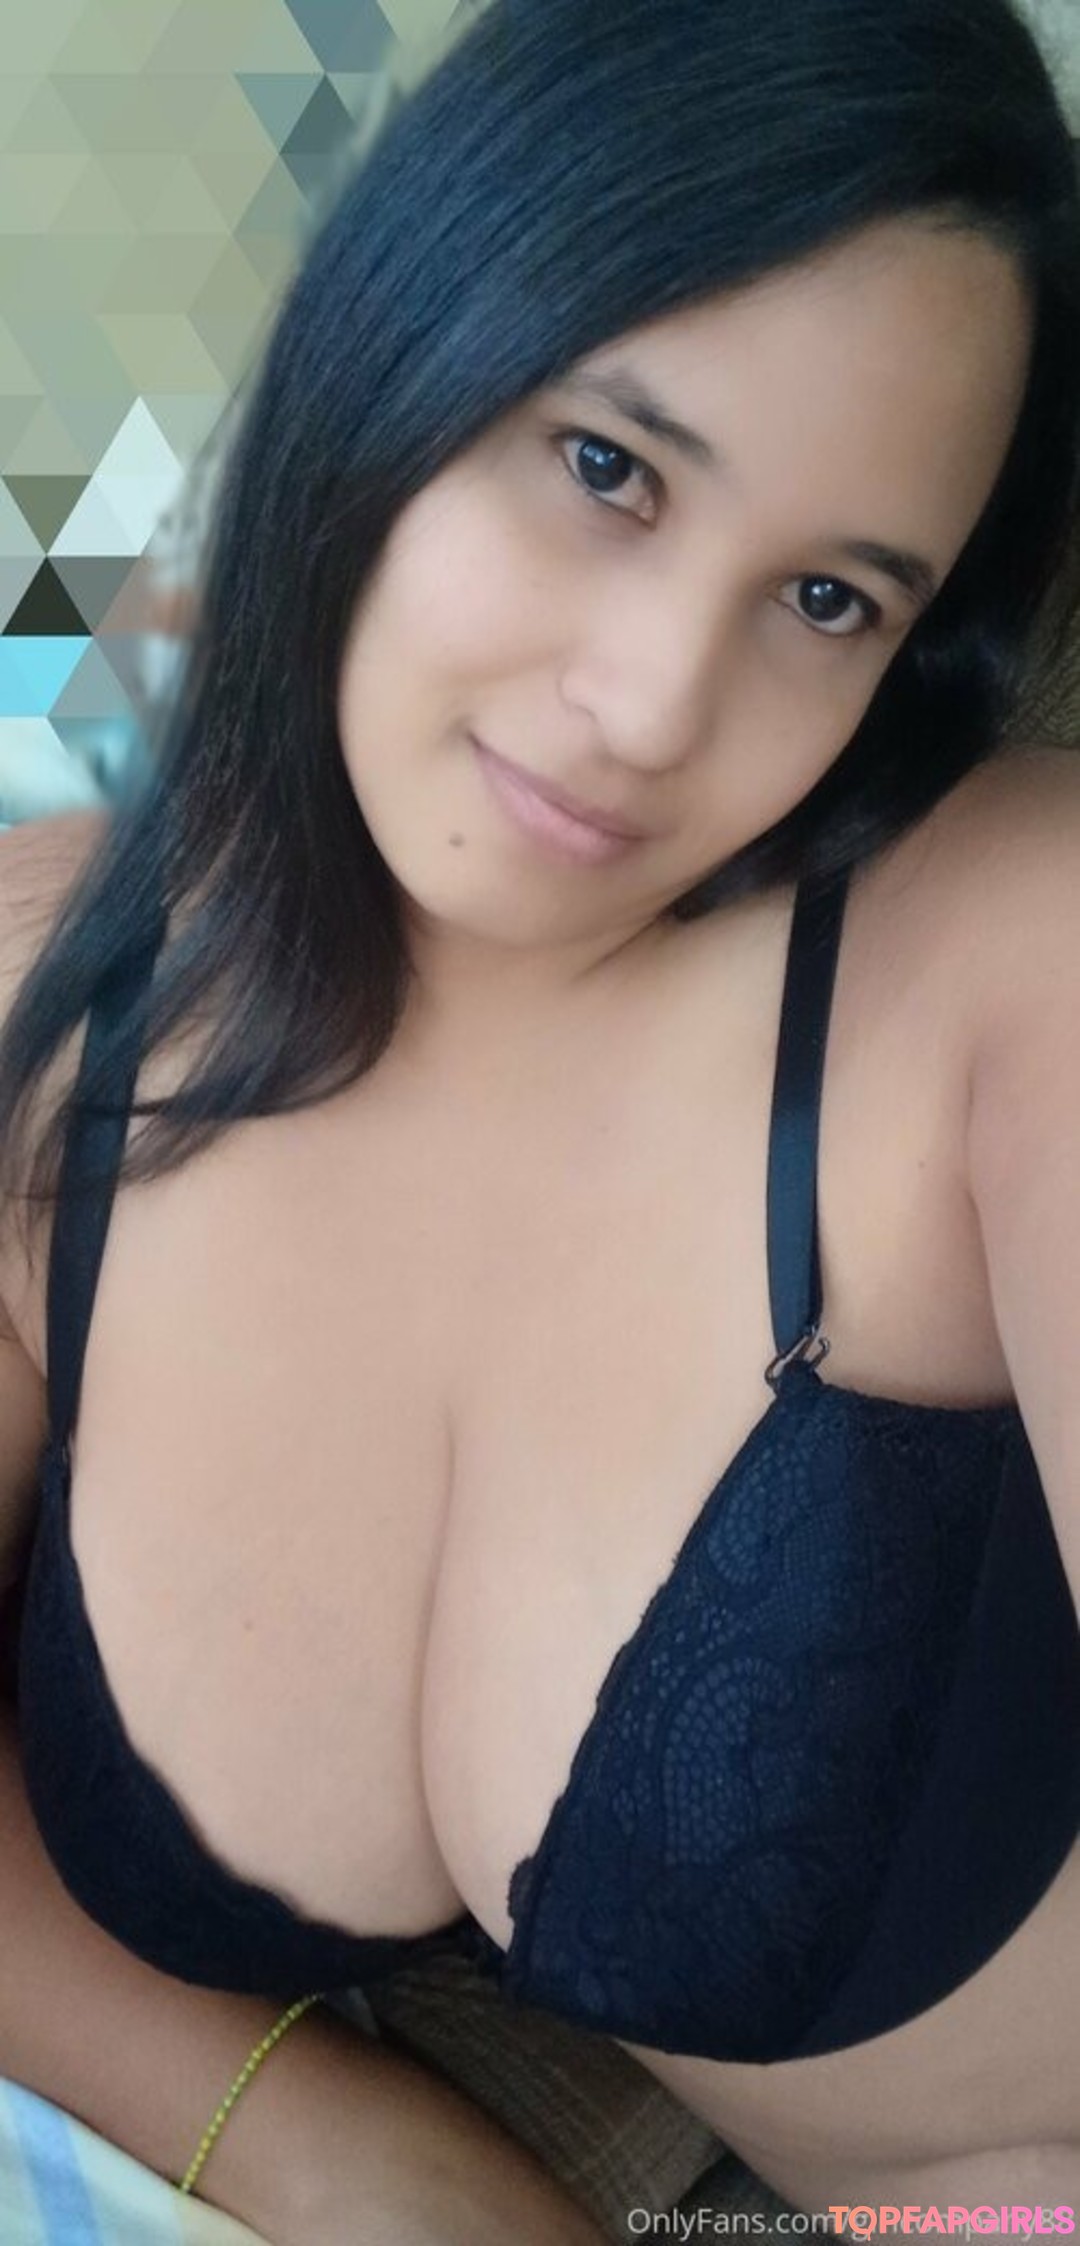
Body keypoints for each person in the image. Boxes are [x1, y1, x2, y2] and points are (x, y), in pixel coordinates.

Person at [0, 0, 1078, 2235]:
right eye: (607, 466)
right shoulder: (44, 1010)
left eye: (827, 597)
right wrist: (345, 2153)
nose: (654, 705)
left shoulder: (1010, 951)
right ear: (400, 330)